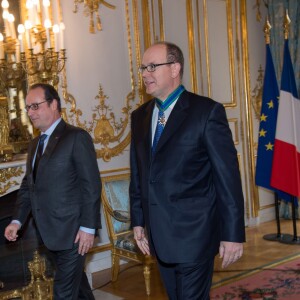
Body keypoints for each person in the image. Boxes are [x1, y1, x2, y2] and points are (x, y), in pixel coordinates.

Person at [130, 41, 245, 300]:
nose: (145, 73)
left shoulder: (206, 112)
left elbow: (227, 178)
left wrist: (233, 234)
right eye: (142, 68)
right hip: (158, 236)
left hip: (195, 235)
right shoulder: (139, 116)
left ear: (174, 68)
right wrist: (138, 219)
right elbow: (139, 173)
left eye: (152, 67)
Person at [4, 83, 101, 300]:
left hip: (74, 233)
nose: (30, 113)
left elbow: (91, 185)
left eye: (35, 106)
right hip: (49, 234)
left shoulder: (76, 137)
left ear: (54, 104)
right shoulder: (35, 144)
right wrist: (17, 221)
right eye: (28, 108)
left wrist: (88, 227)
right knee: (80, 289)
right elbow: (29, 186)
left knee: (63, 293)